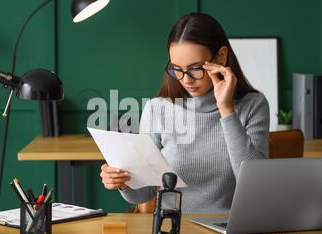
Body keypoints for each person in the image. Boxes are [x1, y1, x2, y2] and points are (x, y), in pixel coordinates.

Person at [100, 13, 270, 214]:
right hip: (172, 230)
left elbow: (255, 186)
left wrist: (226, 110)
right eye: (177, 69)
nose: (186, 80)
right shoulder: (157, 108)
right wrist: (123, 182)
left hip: (230, 229)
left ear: (221, 57)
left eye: (195, 69)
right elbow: (143, 194)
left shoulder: (253, 105)